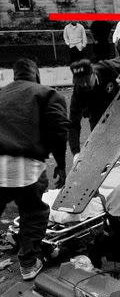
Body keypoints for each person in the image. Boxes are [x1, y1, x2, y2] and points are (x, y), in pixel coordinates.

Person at [0, 59, 69, 280]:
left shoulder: (2, 93)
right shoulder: (46, 94)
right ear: (36, 74)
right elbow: (59, 131)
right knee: (34, 212)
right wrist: (61, 163)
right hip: (25, 163)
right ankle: (28, 263)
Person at [68, 58, 120, 160]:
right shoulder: (79, 90)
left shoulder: (106, 68)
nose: (84, 84)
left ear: (93, 73)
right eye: (80, 82)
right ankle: (105, 169)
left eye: (87, 80)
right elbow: (73, 122)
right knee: (99, 145)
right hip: (95, 112)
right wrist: (76, 152)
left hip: (116, 104)